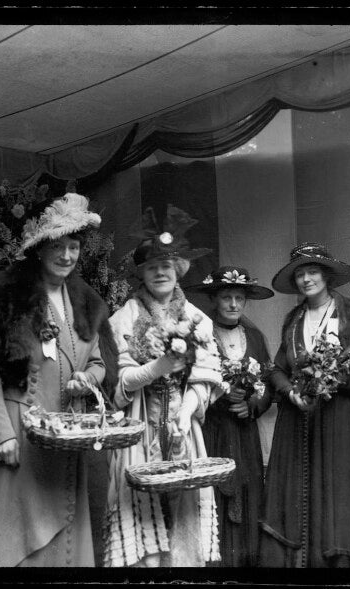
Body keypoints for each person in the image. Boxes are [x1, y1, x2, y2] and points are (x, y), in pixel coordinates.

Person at [0, 193, 115, 567]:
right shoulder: (5, 295)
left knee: (68, 538)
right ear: (39, 250)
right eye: (57, 247)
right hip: (23, 429)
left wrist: (89, 379)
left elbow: (99, 364)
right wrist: (3, 432)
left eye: (74, 247)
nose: (66, 256)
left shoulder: (86, 301)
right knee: (21, 539)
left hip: (67, 435)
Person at [102, 225, 225, 567]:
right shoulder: (122, 318)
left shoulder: (197, 319)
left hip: (184, 427)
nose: (160, 273)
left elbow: (206, 374)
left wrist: (185, 415)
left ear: (178, 272)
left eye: (167, 266)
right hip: (139, 424)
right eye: (152, 267)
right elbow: (122, 384)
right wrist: (161, 364)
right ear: (141, 274)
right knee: (139, 507)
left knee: (187, 505)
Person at [258, 242, 350, 568]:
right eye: (300, 275)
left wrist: (336, 381)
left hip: (338, 416)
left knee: (335, 489)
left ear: (326, 275)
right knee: (296, 490)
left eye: (312, 272)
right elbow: (277, 369)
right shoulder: (294, 319)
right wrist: (289, 391)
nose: (307, 279)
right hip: (296, 419)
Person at [186, 265, 275, 567]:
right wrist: (222, 398)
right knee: (215, 488)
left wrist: (251, 405)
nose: (234, 304)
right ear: (215, 299)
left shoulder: (256, 337)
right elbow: (190, 382)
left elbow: (269, 384)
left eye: (239, 297)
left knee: (248, 486)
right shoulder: (202, 335)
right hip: (214, 428)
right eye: (226, 297)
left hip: (245, 430)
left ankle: (246, 563)